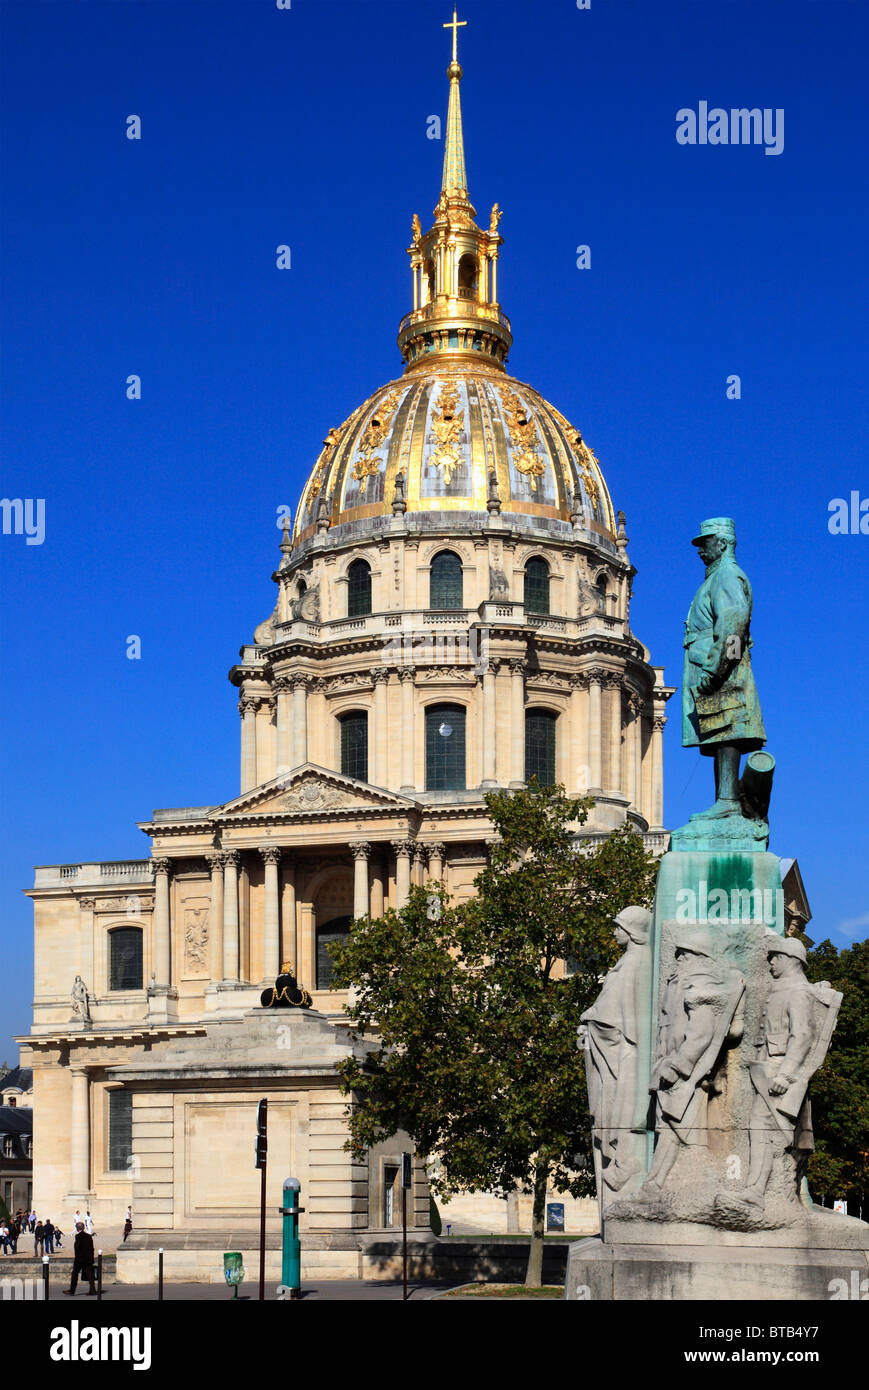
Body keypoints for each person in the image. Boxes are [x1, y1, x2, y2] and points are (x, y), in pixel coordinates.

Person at [682, 518, 766, 817]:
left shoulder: (726, 576)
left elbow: (734, 626)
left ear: (723, 543)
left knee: (726, 733)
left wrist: (717, 669)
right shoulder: (715, 578)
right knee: (720, 736)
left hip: (720, 673)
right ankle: (725, 800)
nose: (700, 550)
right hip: (716, 669)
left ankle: (727, 802)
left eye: (705, 543)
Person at [63, 1222, 96, 1297]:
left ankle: (72, 1290)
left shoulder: (78, 1236)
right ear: (83, 1228)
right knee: (90, 1275)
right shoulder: (89, 1236)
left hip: (80, 1259)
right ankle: (92, 1290)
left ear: (77, 1229)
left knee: (75, 1274)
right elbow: (92, 1248)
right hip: (89, 1258)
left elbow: (77, 1248)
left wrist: (77, 1257)